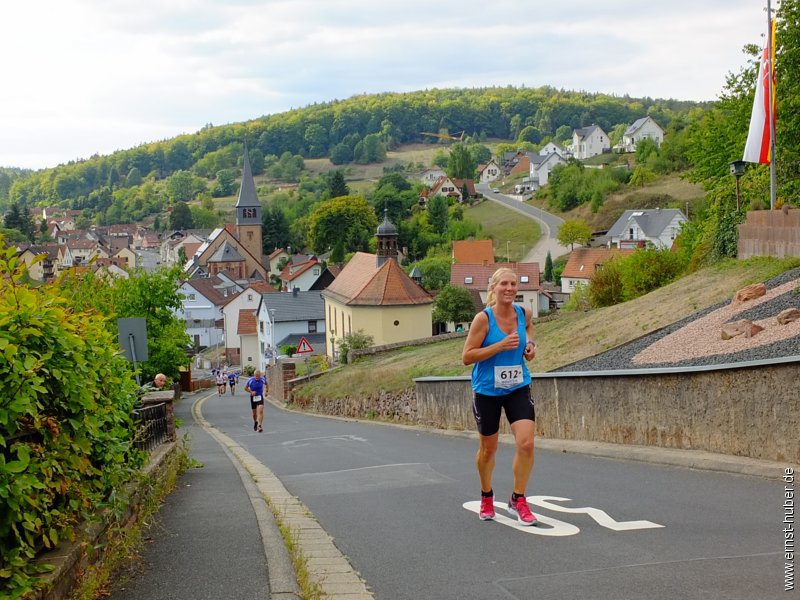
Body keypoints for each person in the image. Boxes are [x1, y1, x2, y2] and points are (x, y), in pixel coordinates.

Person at [462, 267, 538, 526]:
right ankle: (486, 495)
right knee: (488, 449)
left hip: (518, 386)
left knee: (526, 443)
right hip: (487, 390)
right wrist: (499, 346)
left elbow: (529, 329)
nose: (509, 289)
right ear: (493, 288)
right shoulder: (483, 319)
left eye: (513, 284)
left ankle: (519, 498)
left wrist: (530, 346)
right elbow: (467, 356)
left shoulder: (523, 312)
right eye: (504, 284)